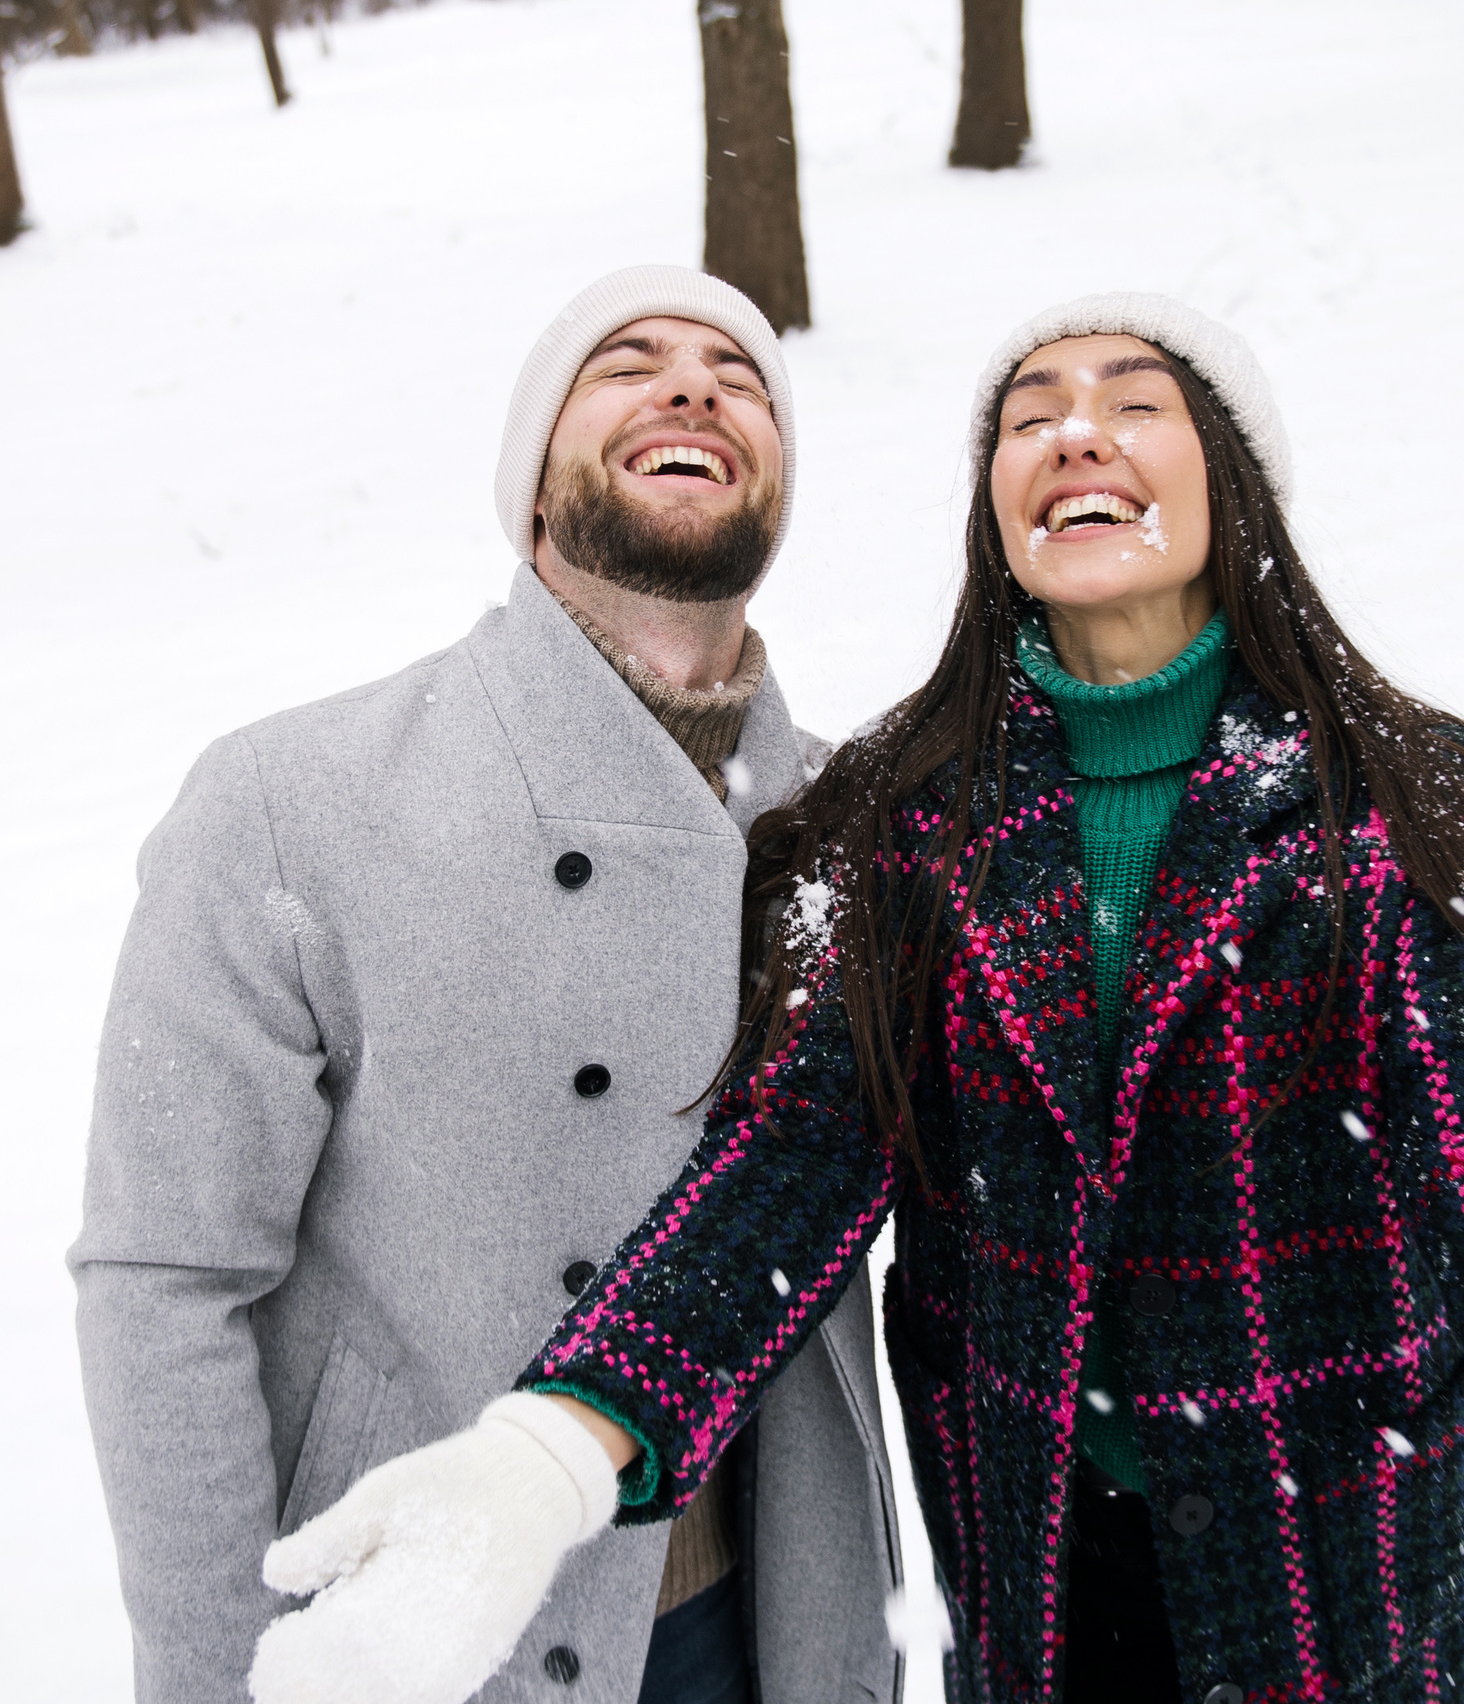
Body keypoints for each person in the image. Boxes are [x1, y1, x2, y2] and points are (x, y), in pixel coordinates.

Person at [248, 296, 1464, 1704]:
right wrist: (548, 1457)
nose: (1074, 429)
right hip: (1043, 1607)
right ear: (998, 510)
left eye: (1134, 398)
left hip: (1357, 1609)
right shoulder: (893, 822)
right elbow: (782, 1176)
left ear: (1230, 482)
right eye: (1028, 414)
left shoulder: (1393, 795)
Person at [69, 265, 902, 1704]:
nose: (692, 386)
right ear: (532, 486)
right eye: (626, 363)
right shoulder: (292, 800)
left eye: (739, 374)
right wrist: (216, 1678)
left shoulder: (856, 825)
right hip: (426, 1641)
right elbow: (167, 1282)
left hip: (766, 1624)